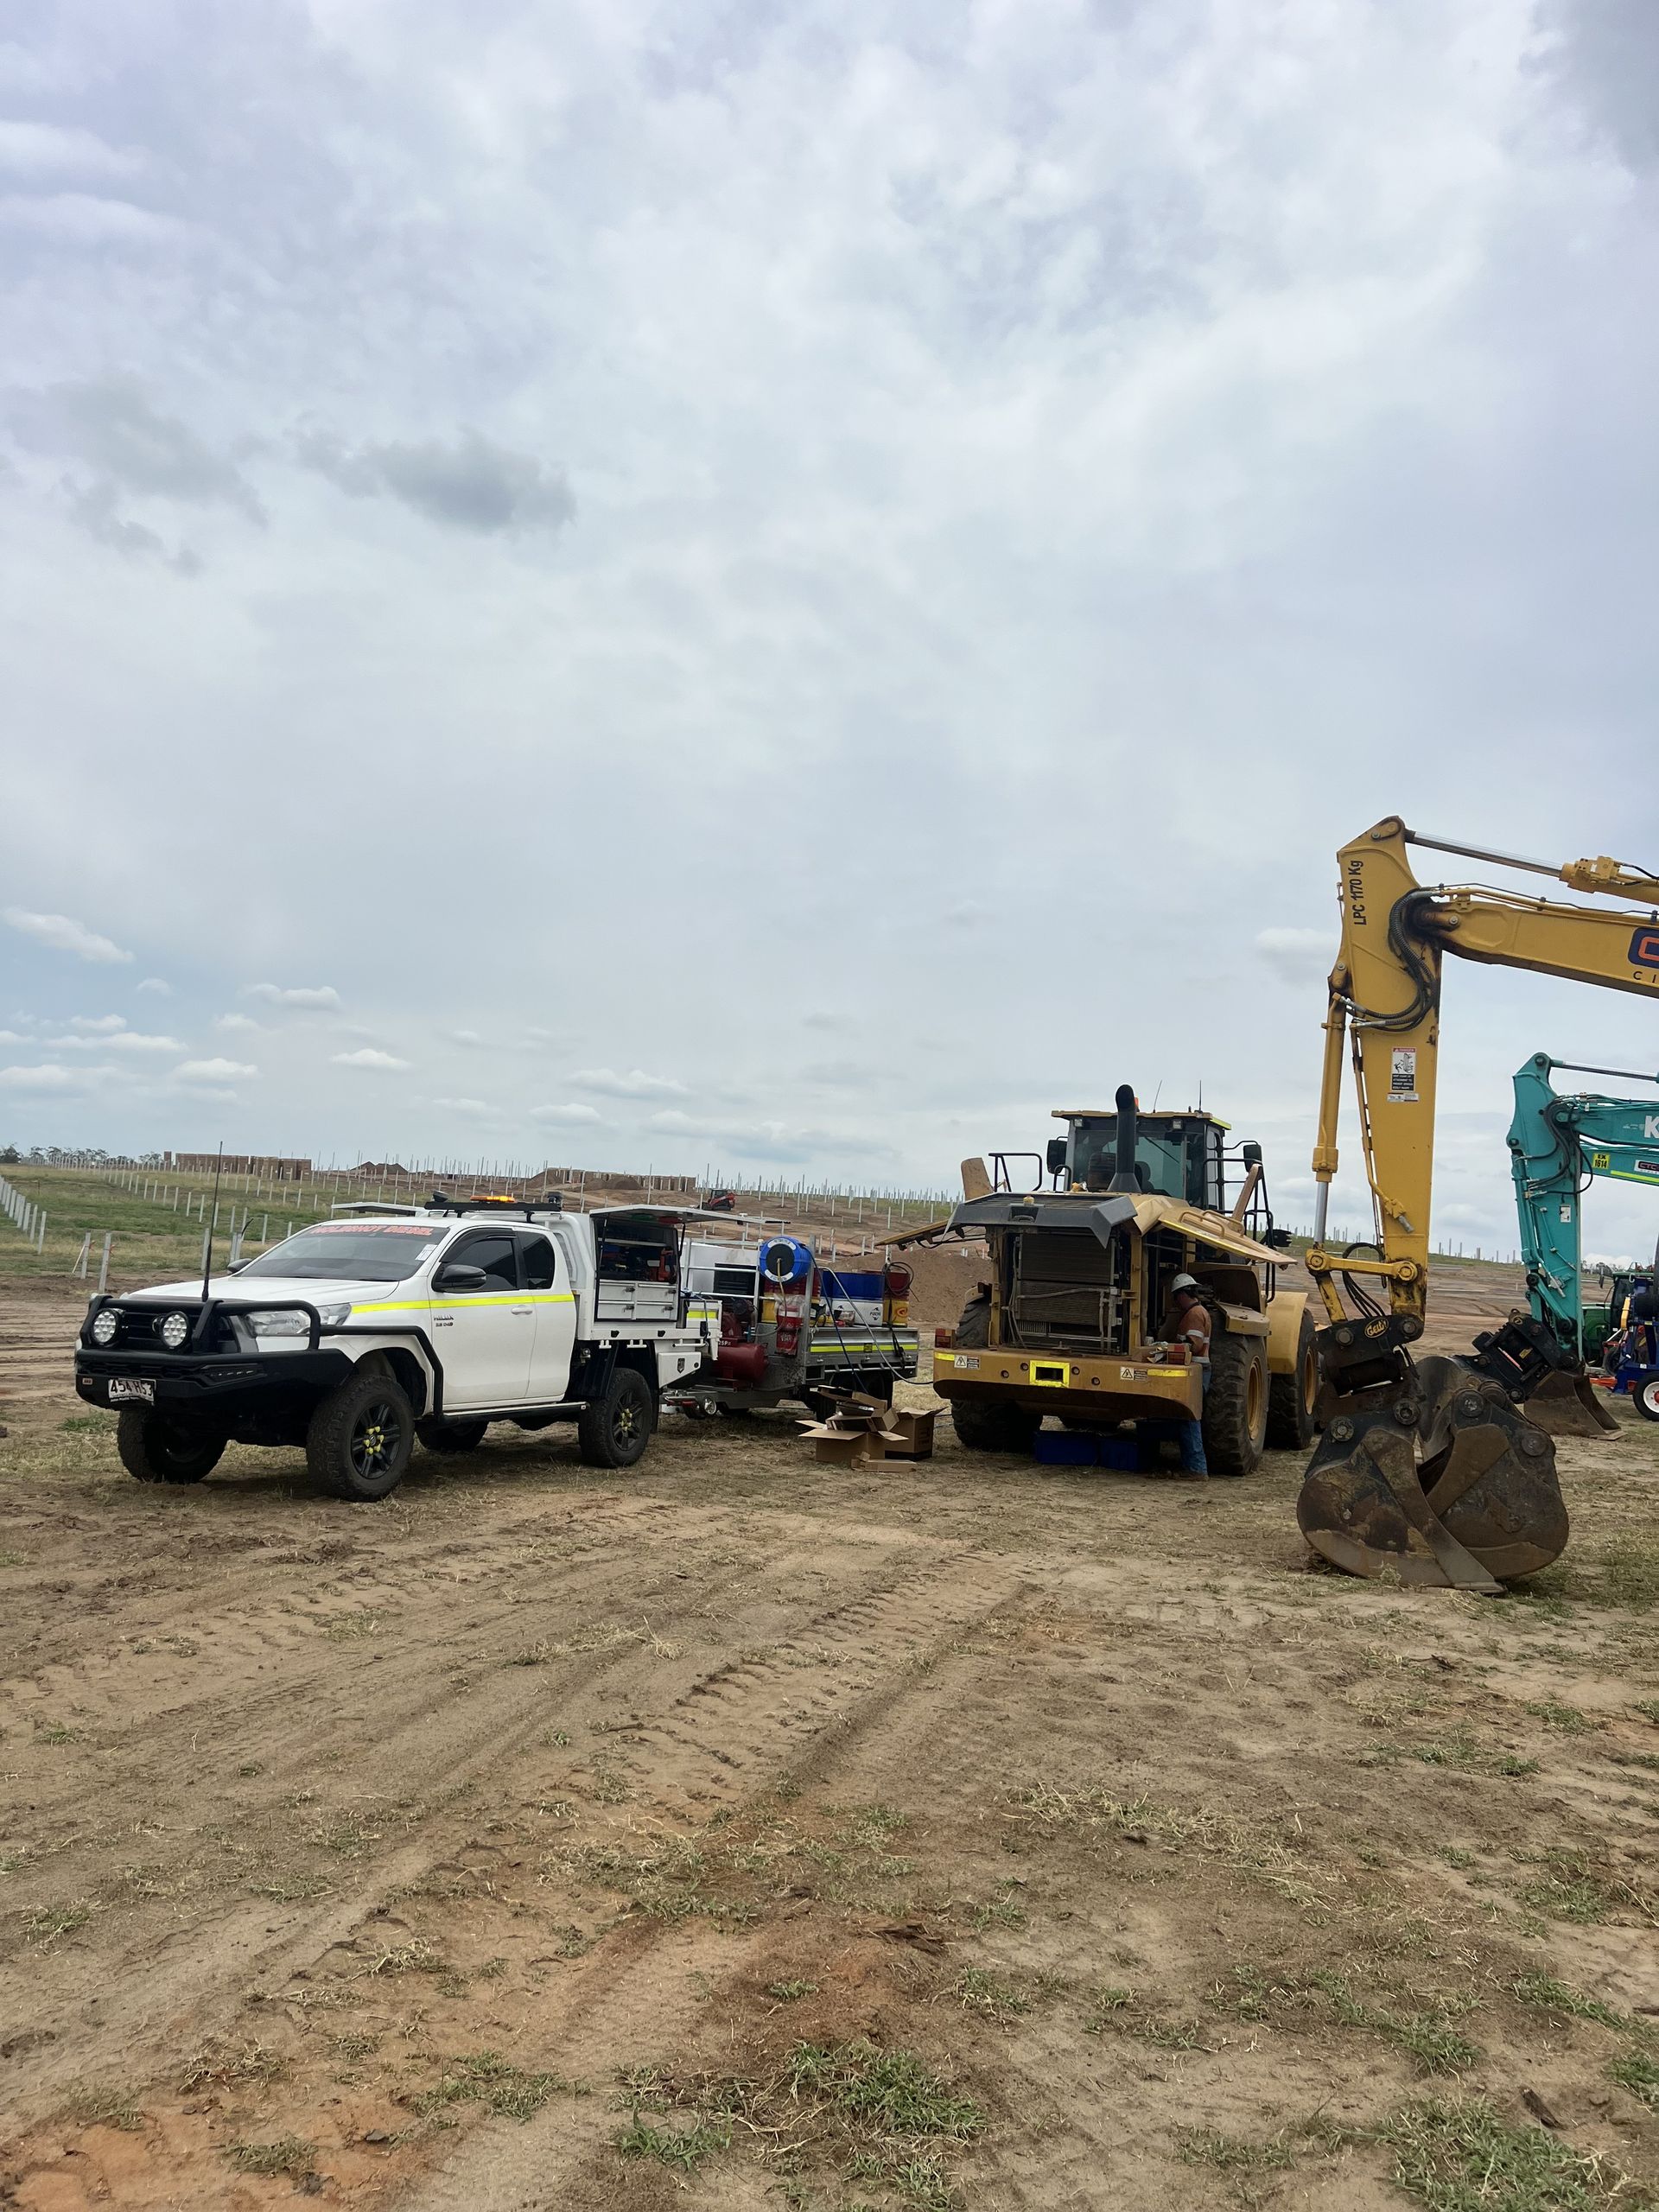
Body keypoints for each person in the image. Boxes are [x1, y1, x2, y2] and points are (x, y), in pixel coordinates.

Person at [1163, 1272, 1211, 1475]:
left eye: (1176, 1297)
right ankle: (1193, 1467)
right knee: (1187, 1417)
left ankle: (1196, 1469)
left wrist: (1170, 1348)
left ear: (1183, 1294)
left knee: (1189, 1417)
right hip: (1200, 1369)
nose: (1176, 1302)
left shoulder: (1194, 1314)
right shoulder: (1199, 1311)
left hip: (1196, 1368)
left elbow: (1195, 1344)